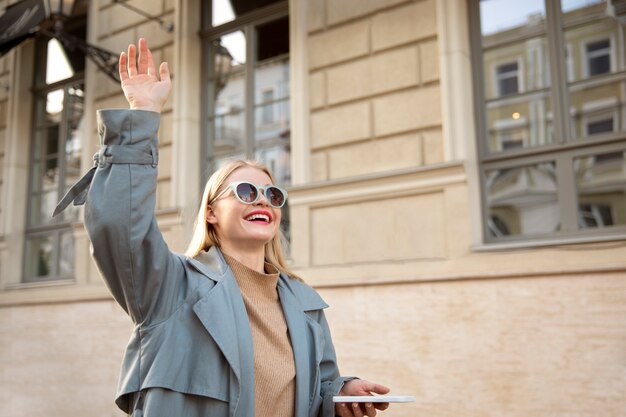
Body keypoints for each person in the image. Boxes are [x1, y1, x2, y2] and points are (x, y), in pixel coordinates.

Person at [54, 38, 391, 417]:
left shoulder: (305, 303)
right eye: (246, 191)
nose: (262, 200)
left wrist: (344, 393)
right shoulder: (171, 287)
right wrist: (142, 116)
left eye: (272, 194)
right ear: (211, 211)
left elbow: (318, 388)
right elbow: (118, 226)